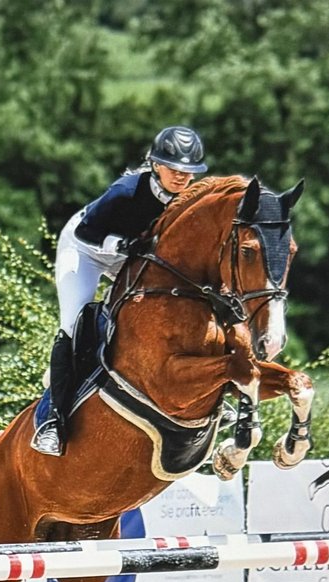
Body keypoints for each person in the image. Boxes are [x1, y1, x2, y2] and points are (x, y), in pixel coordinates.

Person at [32, 125, 208, 456]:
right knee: (73, 324)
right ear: (156, 164)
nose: (182, 176)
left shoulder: (189, 200)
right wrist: (122, 244)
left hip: (129, 255)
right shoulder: (127, 190)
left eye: (189, 171)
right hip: (85, 250)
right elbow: (86, 231)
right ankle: (52, 421)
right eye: (174, 168)